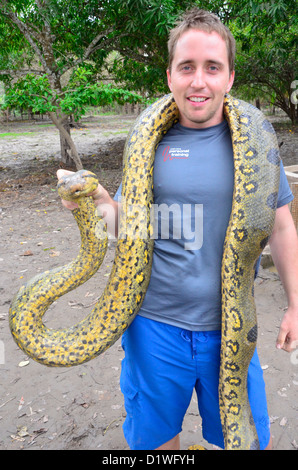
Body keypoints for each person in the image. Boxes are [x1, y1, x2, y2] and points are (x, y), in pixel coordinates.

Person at [57, 8, 298, 450]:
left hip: (230, 328)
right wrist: (94, 204)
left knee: (242, 440)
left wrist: (296, 304)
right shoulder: (148, 145)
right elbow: (125, 227)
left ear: (229, 78)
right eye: (187, 67)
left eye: (212, 67)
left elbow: (281, 227)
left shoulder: (258, 148)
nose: (199, 81)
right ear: (170, 76)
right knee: (156, 442)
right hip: (153, 327)